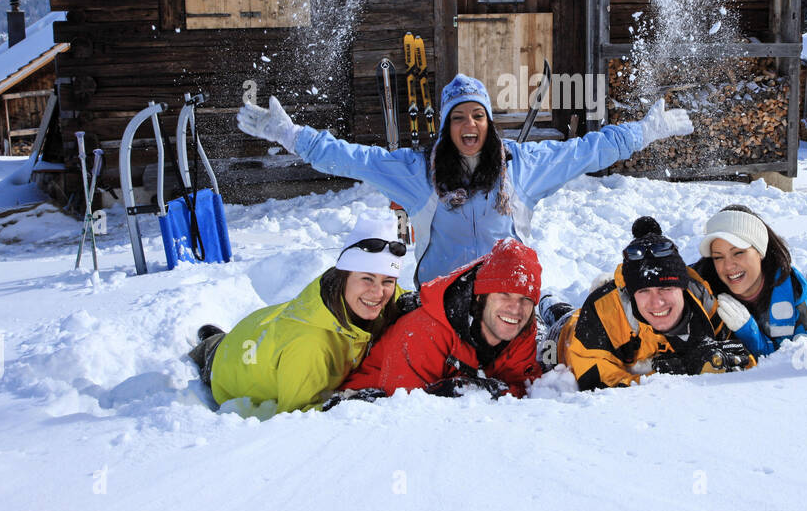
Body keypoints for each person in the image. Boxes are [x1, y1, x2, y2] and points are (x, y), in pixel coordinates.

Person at [237, 74, 693, 285]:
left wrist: (643, 132)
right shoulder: (420, 172)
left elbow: (588, 150)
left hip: (508, 292)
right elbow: (356, 159)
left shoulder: (521, 165)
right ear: (446, 127)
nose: (469, 124)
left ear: (490, 123)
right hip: (441, 294)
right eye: (459, 117)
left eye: (478, 115)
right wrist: (291, 135)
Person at [187, 213, 409, 413]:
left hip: (264, 328)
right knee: (214, 351)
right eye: (367, 279)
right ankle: (211, 345)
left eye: (387, 281)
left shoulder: (365, 296)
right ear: (343, 278)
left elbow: (403, 295)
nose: (378, 292)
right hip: (230, 364)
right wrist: (349, 404)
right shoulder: (310, 345)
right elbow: (297, 414)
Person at [545, 217, 753, 391]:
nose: (657, 302)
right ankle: (548, 304)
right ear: (631, 293)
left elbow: (739, 357)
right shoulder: (601, 311)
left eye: (666, 289)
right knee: (557, 323)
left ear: (683, 287)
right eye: (644, 291)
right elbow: (595, 382)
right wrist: (674, 372)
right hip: (566, 337)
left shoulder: (704, 303)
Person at [334, 237, 543, 400]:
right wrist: (458, 394)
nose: (515, 309)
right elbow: (402, 408)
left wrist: (487, 392)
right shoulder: (424, 329)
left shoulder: (521, 326)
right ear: (480, 296)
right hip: (361, 411)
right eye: (504, 294)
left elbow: (524, 389)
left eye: (525, 299)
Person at [690, 205, 807, 357]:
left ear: (760, 251)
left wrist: (748, 331)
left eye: (738, 253)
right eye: (718, 257)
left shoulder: (794, 295)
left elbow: (789, 363)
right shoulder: (698, 290)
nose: (728, 266)